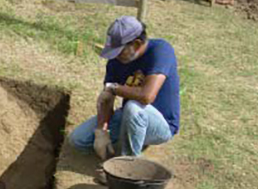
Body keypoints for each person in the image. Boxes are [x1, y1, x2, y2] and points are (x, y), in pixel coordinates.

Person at [69, 16, 180, 165]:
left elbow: (147, 96)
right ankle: (131, 139)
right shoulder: (116, 62)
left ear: (137, 43)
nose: (115, 57)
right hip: (129, 118)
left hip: (160, 125)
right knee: (79, 139)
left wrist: (114, 88)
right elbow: (107, 98)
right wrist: (101, 131)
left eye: (119, 51)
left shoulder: (161, 51)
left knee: (134, 107)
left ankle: (127, 167)